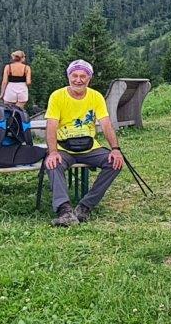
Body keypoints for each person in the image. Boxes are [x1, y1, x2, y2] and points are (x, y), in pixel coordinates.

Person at [44, 59, 125, 227]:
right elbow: (51, 125)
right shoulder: (57, 96)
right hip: (63, 147)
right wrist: (52, 152)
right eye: (75, 75)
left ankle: (85, 207)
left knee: (115, 163)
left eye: (83, 76)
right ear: (68, 76)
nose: (78, 80)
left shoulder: (95, 97)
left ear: (89, 79)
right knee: (53, 164)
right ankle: (64, 210)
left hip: (89, 147)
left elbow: (106, 123)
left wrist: (115, 149)